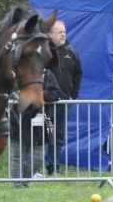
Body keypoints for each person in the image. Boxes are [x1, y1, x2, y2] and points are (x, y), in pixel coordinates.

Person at [9, 69, 60, 188]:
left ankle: (25, 183)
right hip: (18, 120)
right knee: (17, 157)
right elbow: (10, 90)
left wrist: (38, 95)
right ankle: (18, 186)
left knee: (37, 159)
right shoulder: (17, 72)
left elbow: (56, 93)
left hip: (39, 123)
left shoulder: (48, 74)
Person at [45, 19, 82, 175]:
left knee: (58, 136)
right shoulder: (43, 51)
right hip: (44, 102)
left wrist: (73, 95)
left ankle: (54, 167)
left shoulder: (71, 52)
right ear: (50, 34)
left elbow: (78, 74)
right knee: (39, 136)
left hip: (64, 102)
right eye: (60, 32)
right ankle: (34, 168)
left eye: (64, 32)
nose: (63, 34)